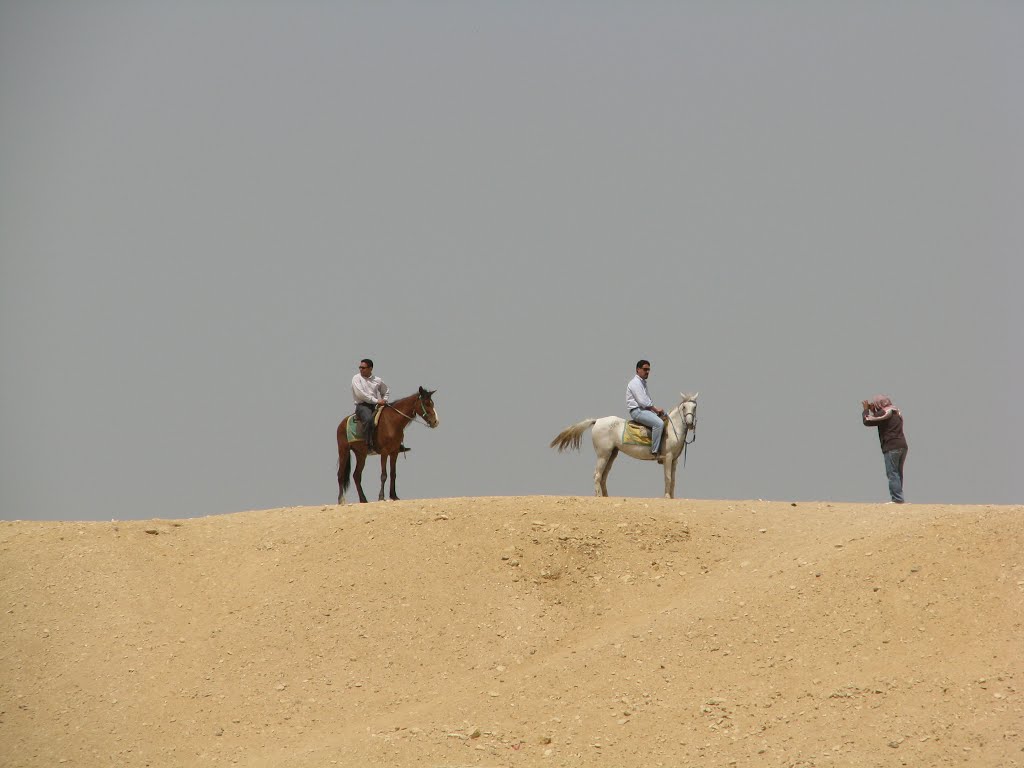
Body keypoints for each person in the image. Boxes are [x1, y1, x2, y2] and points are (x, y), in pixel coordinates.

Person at [862, 394, 908, 504]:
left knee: (892, 473)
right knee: (897, 473)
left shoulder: (886, 412)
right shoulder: (895, 411)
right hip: (902, 445)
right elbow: (881, 420)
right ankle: (899, 498)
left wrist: (866, 410)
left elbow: (867, 421)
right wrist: (874, 411)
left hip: (892, 446)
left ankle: (897, 499)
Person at [626, 359, 666, 458]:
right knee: (659, 423)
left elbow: (647, 401)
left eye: (648, 370)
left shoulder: (642, 383)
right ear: (638, 370)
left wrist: (655, 411)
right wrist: (656, 410)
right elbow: (643, 401)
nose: (647, 372)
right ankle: (655, 451)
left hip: (643, 410)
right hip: (637, 411)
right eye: (645, 369)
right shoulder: (635, 383)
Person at [352, 359, 389, 450]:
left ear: (370, 368)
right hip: (362, 406)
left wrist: (384, 400)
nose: (361, 369)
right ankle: (368, 444)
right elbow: (361, 394)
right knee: (369, 419)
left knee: (392, 418)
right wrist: (377, 401)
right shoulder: (356, 378)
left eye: (363, 368)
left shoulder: (377, 380)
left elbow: (386, 391)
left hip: (375, 405)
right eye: (360, 367)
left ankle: (396, 443)